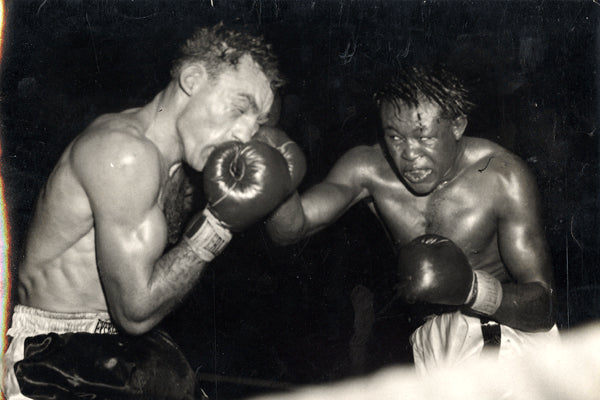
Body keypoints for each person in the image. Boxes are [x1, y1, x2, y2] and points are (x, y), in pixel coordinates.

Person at [2, 23, 305, 399]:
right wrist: (219, 224)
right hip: (57, 360)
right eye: (240, 108)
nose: (244, 134)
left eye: (257, 122)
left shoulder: (182, 164)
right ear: (192, 79)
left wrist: (279, 180)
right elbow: (135, 310)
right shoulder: (125, 152)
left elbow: (291, 231)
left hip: (119, 355)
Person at [265, 64, 559, 374]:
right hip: (429, 341)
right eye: (395, 137)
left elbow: (544, 309)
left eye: (424, 137)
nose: (409, 154)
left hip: (502, 331)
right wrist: (273, 180)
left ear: (457, 125)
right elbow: (291, 229)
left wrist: (472, 289)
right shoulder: (368, 168)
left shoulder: (501, 175)